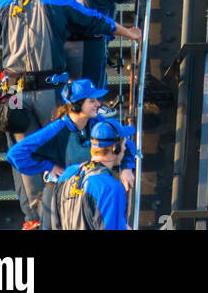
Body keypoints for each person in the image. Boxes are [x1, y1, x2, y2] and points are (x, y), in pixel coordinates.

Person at [0, 0, 132, 229]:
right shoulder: (59, 3)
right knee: (59, 149)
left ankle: (34, 220)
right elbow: (94, 22)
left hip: (14, 92)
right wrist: (128, 32)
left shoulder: (1, 6)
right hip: (53, 90)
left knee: (23, 149)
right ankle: (67, 210)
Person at [7, 78, 138, 230]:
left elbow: (125, 141)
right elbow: (15, 154)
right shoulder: (57, 129)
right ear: (76, 106)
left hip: (84, 191)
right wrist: (48, 165)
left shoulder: (96, 123)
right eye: (92, 101)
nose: (98, 104)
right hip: (58, 194)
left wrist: (127, 167)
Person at [47, 119, 131, 230]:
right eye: (124, 144)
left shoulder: (66, 174)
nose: (125, 148)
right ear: (116, 148)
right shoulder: (111, 188)